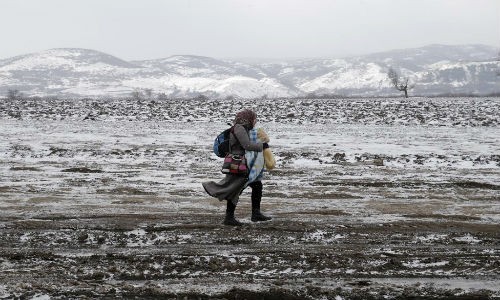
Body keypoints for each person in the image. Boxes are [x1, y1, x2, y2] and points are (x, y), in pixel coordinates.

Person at [203, 109, 272, 226]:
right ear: (247, 118)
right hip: (237, 163)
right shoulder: (239, 128)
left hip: (242, 163)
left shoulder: (244, 128)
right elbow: (247, 145)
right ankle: (227, 213)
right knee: (235, 189)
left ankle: (255, 214)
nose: (255, 121)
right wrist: (262, 145)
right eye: (254, 118)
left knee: (256, 185)